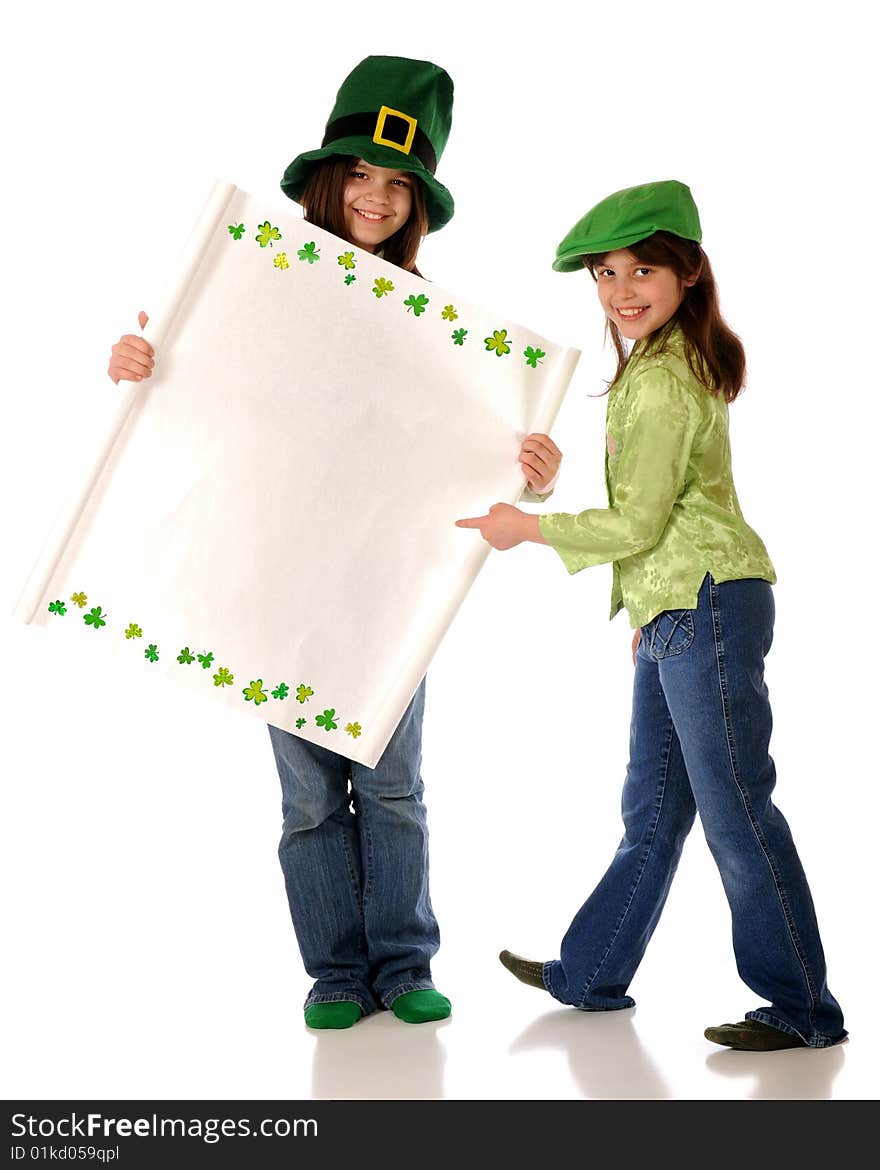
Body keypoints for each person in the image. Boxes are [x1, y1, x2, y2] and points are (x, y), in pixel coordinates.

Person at [106, 55, 562, 1030]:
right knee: (309, 798)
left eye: (398, 185)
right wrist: (142, 361)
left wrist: (529, 465)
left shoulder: (440, 337)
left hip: (384, 593)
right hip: (278, 583)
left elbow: (463, 458)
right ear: (327, 178)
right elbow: (204, 404)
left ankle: (402, 963)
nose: (376, 197)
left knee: (391, 786)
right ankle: (335, 971)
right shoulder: (249, 286)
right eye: (361, 174)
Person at [456, 180, 846, 1051]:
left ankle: (804, 1009)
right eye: (603, 274)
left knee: (738, 808)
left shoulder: (666, 380)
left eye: (642, 270)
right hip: (680, 602)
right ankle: (591, 971)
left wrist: (529, 527)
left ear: (688, 273)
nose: (621, 290)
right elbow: (659, 522)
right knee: (656, 804)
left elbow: (636, 519)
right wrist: (647, 600)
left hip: (707, 599)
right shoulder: (649, 371)